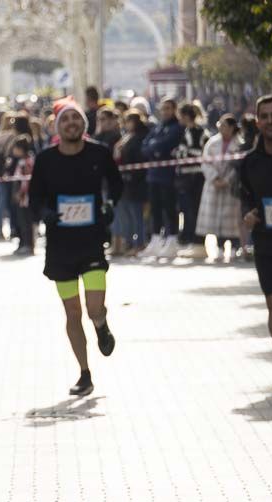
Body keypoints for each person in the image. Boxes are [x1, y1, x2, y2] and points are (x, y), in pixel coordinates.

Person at [29, 100, 123, 397]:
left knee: (93, 307)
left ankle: (101, 324)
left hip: (92, 242)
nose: (71, 123)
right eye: (66, 120)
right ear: (58, 127)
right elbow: (34, 198)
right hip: (60, 247)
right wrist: (44, 213)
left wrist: (109, 205)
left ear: (84, 124)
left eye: (76, 118)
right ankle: (84, 373)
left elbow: (116, 184)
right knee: (72, 313)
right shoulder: (45, 160)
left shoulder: (99, 153)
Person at [239, 95, 272, 390]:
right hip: (267, 242)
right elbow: (244, 199)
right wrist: (248, 215)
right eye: (264, 116)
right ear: (257, 122)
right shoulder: (249, 162)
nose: (270, 121)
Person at [197, 114, 244, 262]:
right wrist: (215, 178)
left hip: (230, 187)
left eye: (224, 125)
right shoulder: (212, 142)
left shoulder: (239, 144)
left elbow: (238, 167)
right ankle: (218, 247)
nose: (221, 128)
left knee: (231, 220)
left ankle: (234, 248)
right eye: (220, 125)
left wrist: (227, 180)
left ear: (231, 127)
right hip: (214, 185)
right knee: (216, 220)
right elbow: (205, 162)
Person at [142, 98, 184, 259]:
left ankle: (172, 239)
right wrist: (154, 148)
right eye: (163, 108)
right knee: (155, 209)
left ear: (174, 110)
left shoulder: (177, 127)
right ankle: (155, 240)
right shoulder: (159, 127)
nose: (165, 111)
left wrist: (155, 147)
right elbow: (145, 146)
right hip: (153, 174)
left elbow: (166, 144)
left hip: (168, 175)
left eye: (168, 108)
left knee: (169, 207)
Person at [111, 111, 150, 256]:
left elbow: (137, 158)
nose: (126, 124)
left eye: (129, 121)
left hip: (137, 182)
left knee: (137, 215)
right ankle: (131, 242)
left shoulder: (140, 138)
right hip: (126, 181)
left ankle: (139, 243)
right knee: (129, 215)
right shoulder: (127, 137)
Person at [175, 102, 210, 258]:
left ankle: (199, 243)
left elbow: (197, 152)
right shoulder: (189, 131)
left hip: (195, 176)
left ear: (187, 116)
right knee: (190, 210)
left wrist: (181, 154)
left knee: (194, 210)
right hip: (188, 176)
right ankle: (194, 242)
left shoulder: (196, 131)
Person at [8, 135, 36, 255]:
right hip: (20, 197)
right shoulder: (20, 161)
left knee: (26, 221)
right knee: (20, 221)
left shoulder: (27, 161)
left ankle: (28, 244)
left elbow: (26, 181)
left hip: (25, 197)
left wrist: (21, 193)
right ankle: (22, 243)